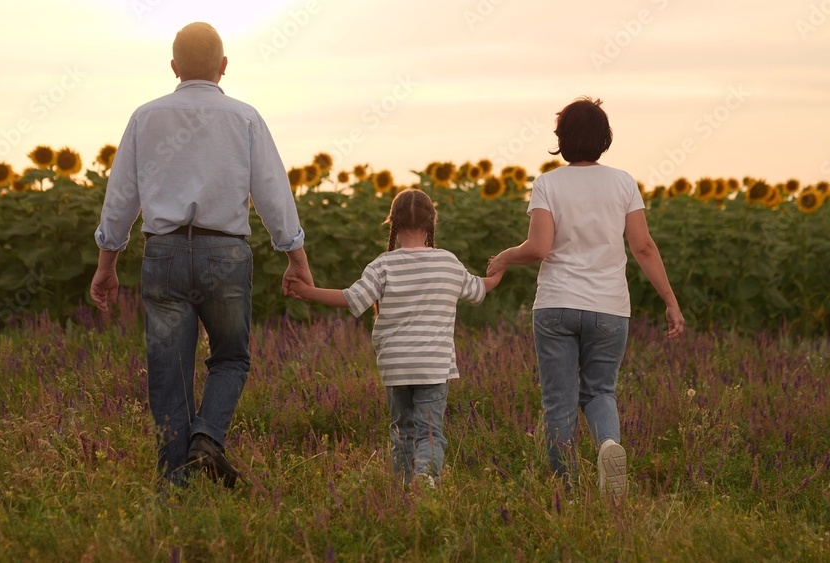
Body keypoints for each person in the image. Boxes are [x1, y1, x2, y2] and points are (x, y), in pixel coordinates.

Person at [89, 22, 313, 489]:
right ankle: (207, 437)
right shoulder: (245, 117)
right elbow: (273, 191)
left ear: (173, 67)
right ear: (224, 66)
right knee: (230, 357)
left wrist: (106, 264)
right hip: (225, 254)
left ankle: (175, 482)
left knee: (167, 370)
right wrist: (296, 257)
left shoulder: (145, 117)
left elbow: (121, 196)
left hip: (163, 253)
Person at [487, 97, 684, 498]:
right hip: (610, 308)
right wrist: (670, 301)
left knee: (558, 400)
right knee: (600, 391)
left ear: (561, 139)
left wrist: (506, 257)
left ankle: (566, 490)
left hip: (557, 304)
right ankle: (609, 445)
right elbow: (643, 247)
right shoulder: (624, 182)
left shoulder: (548, 183)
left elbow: (539, 248)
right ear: (604, 139)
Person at [288, 188, 503, 488]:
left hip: (396, 366)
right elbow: (479, 290)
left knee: (403, 429)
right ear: (431, 223)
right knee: (430, 431)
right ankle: (425, 478)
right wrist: (498, 271)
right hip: (433, 366)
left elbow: (352, 299)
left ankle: (404, 486)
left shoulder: (383, 265)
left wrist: (308, 292)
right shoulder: (448, 262)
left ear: (393, 224)